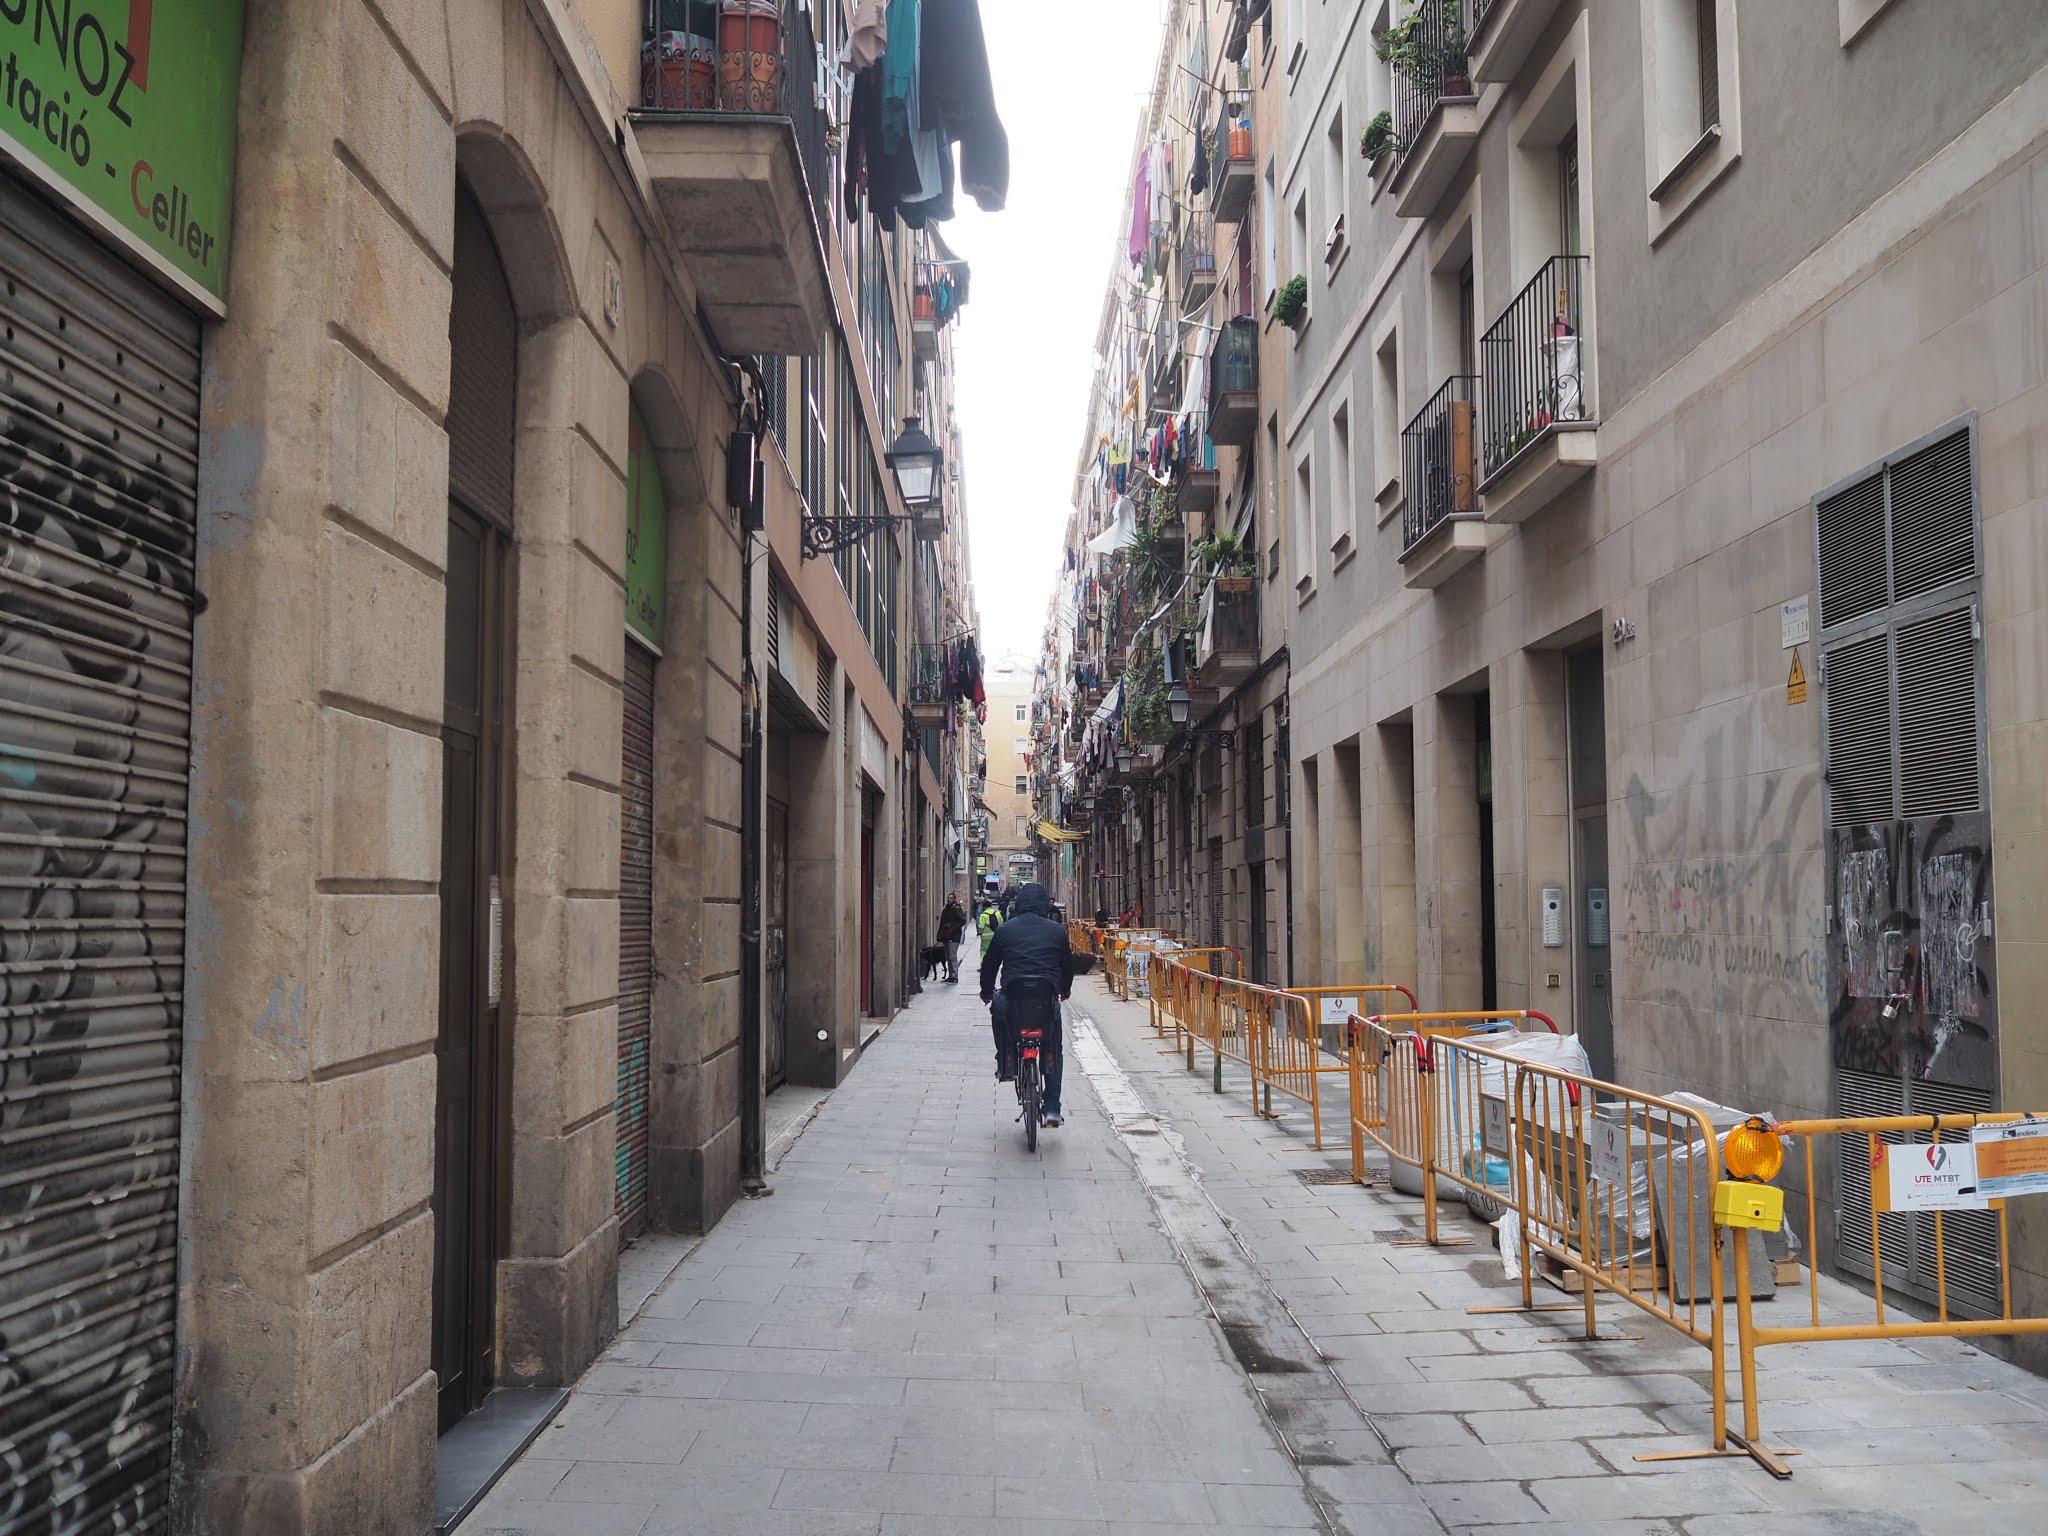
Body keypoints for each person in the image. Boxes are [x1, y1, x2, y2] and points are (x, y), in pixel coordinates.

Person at [979, 883, 1078, 1128]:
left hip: (1013, 998)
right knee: (1053, 1047)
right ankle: (1052, 1108)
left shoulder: (1006, 930)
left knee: (997, 1010)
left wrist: (986, 992)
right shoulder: (1057, 931)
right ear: (1045, 904)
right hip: (1046, 1000)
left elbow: (990, 964)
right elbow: (1067, 966)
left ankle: (1006, 1061)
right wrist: (1065, 989)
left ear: (1019, 904)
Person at [936, 893, 968, 982]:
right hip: (946, 936)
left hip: (953, 937)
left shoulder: (956, 909)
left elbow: (962, 920)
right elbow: (942, 924)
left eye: (951, 898)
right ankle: (951, 976)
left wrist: (952, 928)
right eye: (948, 898)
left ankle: (954, 976)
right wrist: (940, 935)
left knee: (952, 956)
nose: (949, 900)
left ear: (954, 899)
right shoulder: (946, 909)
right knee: (948, 957)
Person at [976, 897, 1003, 963]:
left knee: (983, 951)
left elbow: (981, 926)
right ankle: (993, 963)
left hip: (986, 937)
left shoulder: (983, 915)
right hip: (995, 936)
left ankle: (983, 965)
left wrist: (979, 932)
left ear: (984, 907)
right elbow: (1001, 922)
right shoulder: (997, 913)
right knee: (994, 951)